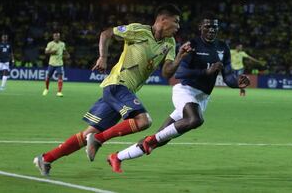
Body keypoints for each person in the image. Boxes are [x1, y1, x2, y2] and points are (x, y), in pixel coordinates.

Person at [33, 4, 190, 176]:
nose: (178, 27)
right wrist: (103, 57)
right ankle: (98, 141)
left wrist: (179, 57)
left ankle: (46, 158)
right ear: (162, 20)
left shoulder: (170, 42)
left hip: (124, 91)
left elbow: (167, 72)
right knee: (144, 121)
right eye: (176, 22)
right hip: (117, 84)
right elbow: (106, 34)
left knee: (88, 133)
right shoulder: (138, 30)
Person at [85, 11, 250, 173]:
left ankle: (117, 157)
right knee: (195, 119)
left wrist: (238, 83)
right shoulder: (192, 45)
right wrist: (206, 72)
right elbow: (180, 74)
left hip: (202, 98)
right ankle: (147, 140)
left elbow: (228, 77)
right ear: (200, 27)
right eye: (208, 26)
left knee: (161, 138)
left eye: (215, 27)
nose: (212, 30)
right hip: (185, 92)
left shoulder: (223, 47)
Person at [42, 31, 70, 97]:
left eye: (58, 36)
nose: (57, 37)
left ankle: (59, 92)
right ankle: (46, 89)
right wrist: (52, 51)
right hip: (51, 63)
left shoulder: (62, 44)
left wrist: (67, 54)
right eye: (55, 36)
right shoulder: (50, 44)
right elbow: (46, 52)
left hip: (59, 64)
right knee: (48, 77)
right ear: (53, 37)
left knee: (60, 76)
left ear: (59, 37)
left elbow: (64, 50)